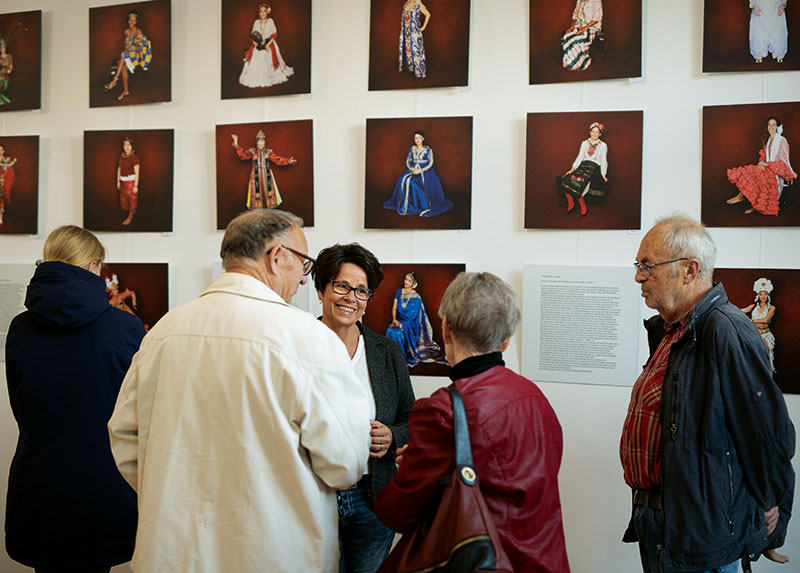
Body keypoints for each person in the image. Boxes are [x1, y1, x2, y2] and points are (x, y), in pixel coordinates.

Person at [108, 209, 371, 572]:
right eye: (304, 265)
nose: (304, 281)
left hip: (172, 552)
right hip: (275, 553)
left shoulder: (164, 332)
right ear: (277, 258)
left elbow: (124, 436)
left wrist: (174, 492)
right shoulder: (308, 339)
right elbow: (346, 461)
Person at [621, 215, 795, 572]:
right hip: (663, 519)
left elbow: (767, 434)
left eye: (647, 265)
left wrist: (771, 514)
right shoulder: (674, 331)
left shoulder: (726, 331)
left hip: (700, 531)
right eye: (639, 265)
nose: (639, 276)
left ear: (689, 270)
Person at [374, 272, 571, 571]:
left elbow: (397, 513)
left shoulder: (442, 410)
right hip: (545, 560)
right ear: (506, 340)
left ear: (447, 329)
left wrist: (408, 468)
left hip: (484, 561)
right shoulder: (535, 398)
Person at [5, 225, 144, 572]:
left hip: (39, 482)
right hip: (104, 483)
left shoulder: (20, 328)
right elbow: (137, 410)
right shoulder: (126, 328)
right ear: (93, 266)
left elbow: (19, 406)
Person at [313, 243, 415, 573]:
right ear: (320, 289)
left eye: (361, 291)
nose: (350, 298)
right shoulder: (296, 346)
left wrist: (392, 436)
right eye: (341, 285)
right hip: (313, 498)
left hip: (373, 499)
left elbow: (410, 418)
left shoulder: (387, 352)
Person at [727, 116, 796, 215]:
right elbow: (765, 156)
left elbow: (784, 163)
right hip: (767, 168)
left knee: (757, 174)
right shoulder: (768, 140)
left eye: (773, 125)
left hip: (776, 172)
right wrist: (762, 162)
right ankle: (743, 198)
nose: (771, 127)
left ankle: (746, 200)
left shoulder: (782, 141)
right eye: (769, 125)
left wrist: (768, 164)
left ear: (777, 126)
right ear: (767, 127)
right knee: (752, 170)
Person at [382, 130, 453, 217]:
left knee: (413, 183)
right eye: (416, 138)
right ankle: (405, 205)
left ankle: (419, 204)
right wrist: (411, 168)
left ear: (423, 138)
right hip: (413, 170)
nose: (417, 140)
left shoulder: (428, 150)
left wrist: (421, 170)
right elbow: (408, 161)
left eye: (419, 137)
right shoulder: (412, 149)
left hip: (425, 172)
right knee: (402, 181)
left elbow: (431, 163)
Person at [385, 271, 447, 367]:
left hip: (411, 324)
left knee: (398, 333)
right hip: (399, 320)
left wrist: (404, 325)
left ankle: (402, 359)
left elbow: (415, 316)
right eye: (405, 279)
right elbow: (394, 307)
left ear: (413, 284)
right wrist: (394, 320)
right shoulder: (399, 292)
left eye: (409, 281)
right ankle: (393, 358)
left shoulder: (416, 296)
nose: (406, 282)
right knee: (390, 330)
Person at [232, 130, 297, 209]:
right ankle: (257, 210)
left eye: (262, 141)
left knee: (269, 192)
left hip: (267, 174)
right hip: (255, 174)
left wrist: (288, 161)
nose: (261, 143)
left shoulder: (268, 152)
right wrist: (236, 143)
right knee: (256, 192)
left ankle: (269, 208)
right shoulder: (252, 151)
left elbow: (277, 159)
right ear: (256, 142)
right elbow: (242, 156)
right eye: (259, 142)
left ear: (265, 142)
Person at [556, 121, 608, 217]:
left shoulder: (603, 145)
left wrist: (603, 174)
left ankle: (583, 206)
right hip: (583, 166)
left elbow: (604, 160)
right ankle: (571, 203)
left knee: (581, 186)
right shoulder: (584, 143)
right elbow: (580, 156)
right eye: (593, 131)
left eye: (597, 132)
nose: (594, 134)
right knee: (566, 181)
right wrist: (573, 168)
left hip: (594, 168)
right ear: (590, 132)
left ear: (600, 134)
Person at [239, 4, 294, 88]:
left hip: (269, 43)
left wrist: (268, 45)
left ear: (267, 12)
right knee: (256, 55)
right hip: (258, 43)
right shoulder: (256, 22)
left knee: (267, 55)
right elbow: (253, 34)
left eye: (264, 11)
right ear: (259, 13)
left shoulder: (270, 21)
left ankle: (270, 75)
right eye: (261, 11)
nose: (263, 13)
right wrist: (255, 43)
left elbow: (274, 34)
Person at [104, 11, 152, 102]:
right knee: (123, 68)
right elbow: (126, 47)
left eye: (134, 21)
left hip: (138, 57)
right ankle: (126, 91)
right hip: (130, 55)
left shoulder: (138, 31)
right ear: (128, 20)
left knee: (123, 55)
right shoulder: (126, 31)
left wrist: (143, 63)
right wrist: (124, 60)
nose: (132, 22)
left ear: (136, 21)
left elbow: (141, 48)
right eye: (130, 20)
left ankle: (115, 81)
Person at [740, 277, 777, 372]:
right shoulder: (753, 307)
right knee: (751, 356)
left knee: (766, 354)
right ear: (758, 295)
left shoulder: (772, 308)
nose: (763, 296)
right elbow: (740, 311)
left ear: (768, 295)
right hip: (754, 334)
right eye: (761, 294)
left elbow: (765, 320)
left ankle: (767, 378)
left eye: (765, 294)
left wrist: (751, 321)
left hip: (765, 334)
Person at [562, 0, 603, 71]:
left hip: (591, 28)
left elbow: (597, 18)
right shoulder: (579, 1)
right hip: (579, 26)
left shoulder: (596, 1)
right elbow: (575, 15)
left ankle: (584, 62)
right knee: (566, 37)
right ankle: (570, 62)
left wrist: (584, 29)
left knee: (575, 40)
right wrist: (572, 27)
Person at [398, 0, 430, 79]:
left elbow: (428, 14)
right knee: (409, 51)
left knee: (417, 52)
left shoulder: (418, 4)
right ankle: (412, 69)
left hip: (415, 34)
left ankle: (421, 72)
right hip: (406, 33)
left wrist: (423, 27)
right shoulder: (406, 4)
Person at [116, 137, 139, 226]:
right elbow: (119, 168)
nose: (127, 147)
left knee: (131, 198)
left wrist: (135, 185)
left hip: (131, 181)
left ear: (132, 146)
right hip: (123, 181)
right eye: (125, 145)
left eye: (128, 145)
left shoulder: (135, 157)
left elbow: (137, 172)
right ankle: (129, 212)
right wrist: (118, 181)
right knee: (124, 198)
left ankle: (131, 215)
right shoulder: (121, 157)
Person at [0, 142, 16, 226]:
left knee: (1, 199)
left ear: (3, 151)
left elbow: (10, 173)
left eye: (1, 150)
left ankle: (1, 216)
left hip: (2, 183)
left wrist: (4, 179)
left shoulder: (6, 160)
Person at [0, 38, 12, 105]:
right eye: (1, 48)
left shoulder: (9, 56)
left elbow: (11, 65)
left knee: (5, 87)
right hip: (1, 75)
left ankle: (4, 98)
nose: (2, 49)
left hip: (6, 75)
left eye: (3, 47)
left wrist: (10, 70)